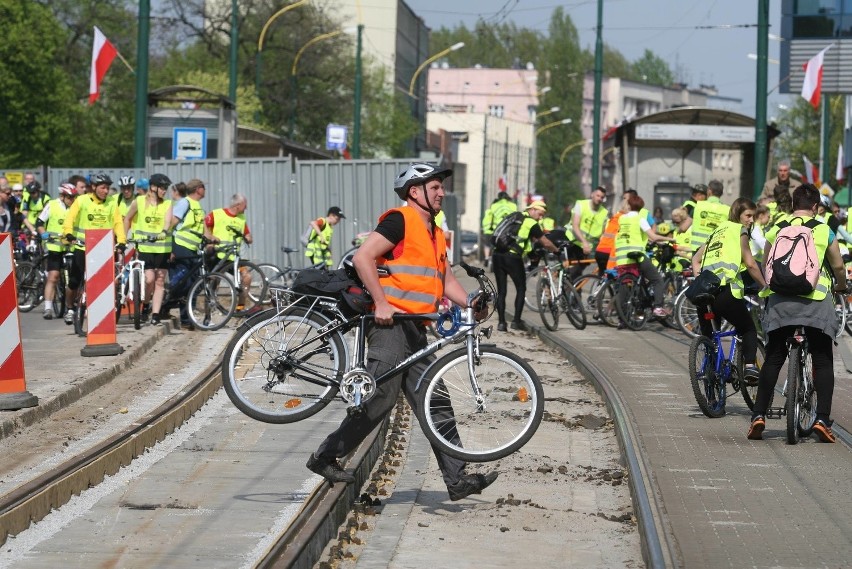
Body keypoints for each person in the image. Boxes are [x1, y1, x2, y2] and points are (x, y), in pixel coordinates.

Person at [305, 162, 498, 502]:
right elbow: (363, 258)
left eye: (441, 187)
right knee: (380, 399)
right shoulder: (399, 220)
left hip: (416, 327)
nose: (442, 192)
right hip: (390, 325)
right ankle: (325, 456)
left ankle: (457, 480)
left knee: (435, 400)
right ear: (415, 191)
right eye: (435, 187)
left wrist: (469, 301)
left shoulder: (435, 232)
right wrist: (380, 302)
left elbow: (446, 281)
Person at [748, 184, 848, 443]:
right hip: (815, 301)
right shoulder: (823, 229)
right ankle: (822, 420)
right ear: (816, 207)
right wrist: (841, 285)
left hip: (780, 301)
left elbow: (766, 262)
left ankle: (758, 415)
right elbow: (838, 265)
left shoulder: (777, 228)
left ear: (793, 205)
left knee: (773, 358)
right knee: (823, 359)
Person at [691, 198, 766, 377]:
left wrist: (700, 280)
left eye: (753, 216)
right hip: (725, 292)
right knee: (748, 328)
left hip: (703, 295)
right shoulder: (739, 230)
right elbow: (750, 263)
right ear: (737, 214)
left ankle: (711, 379)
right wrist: (765, 286)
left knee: (710, 337)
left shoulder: (716, 231)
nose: (751, 220)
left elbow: (695, 260)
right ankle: (749, 367)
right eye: (747, 215)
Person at [61, 173, 127, 325]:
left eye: (108, 188)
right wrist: (68, 233)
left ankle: (100, 311)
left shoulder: (111, 203)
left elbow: (117, 223)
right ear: (94, 187)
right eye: (103, 188)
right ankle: (70, 308)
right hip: (82, 246)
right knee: (75, 280)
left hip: (102, 249)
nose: (106, 191)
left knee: (103, 282)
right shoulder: (82, 200)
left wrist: (121, 241)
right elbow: (70, 218)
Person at [492, 200, 558, 331]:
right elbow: (545, 242)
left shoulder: (514, 216)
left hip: (497, 255)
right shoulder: (531, 223)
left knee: (502, 290)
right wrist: (556, 250)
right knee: (521, 288)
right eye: (540, 214)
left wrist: (532, 253)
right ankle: (516, 321)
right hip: (513, 258)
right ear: (532, 209)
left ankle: (501, 323)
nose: (541, 217)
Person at [613, 193, 675, 318]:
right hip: (636, 255)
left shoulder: (622, 219)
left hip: (622, 256)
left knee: (625, 285)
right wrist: (671, 240)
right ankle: (657, 307)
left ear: (629, 205)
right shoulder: (639, 219)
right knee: (657, 279)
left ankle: (622, 316)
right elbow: (653, 236)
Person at [124, 173, 173, 325]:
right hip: (145, 247)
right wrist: (125, 238)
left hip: (163, 248)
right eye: (162, 188)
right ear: (153, 187)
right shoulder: (139, 202)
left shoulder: (167, 204)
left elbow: (167, 221)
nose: (165, 191)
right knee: (149, 278)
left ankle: (155, 315)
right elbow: (127, 219)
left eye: (166, 188)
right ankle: (145, 303)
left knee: (159, 281)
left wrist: (164, 232)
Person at [163, 178, 207, 328]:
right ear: (198, 189)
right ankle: (167, 306)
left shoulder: (197, 206)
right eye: (203, 187)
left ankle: (186, 317)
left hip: (192, 248)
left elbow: (199, 228)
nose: (205, 190)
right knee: (183, 282)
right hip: (180, 246)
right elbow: (171, 223)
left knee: (193, 284)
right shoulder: (185, 202)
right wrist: (168, 247)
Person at [35, 182, 78, 319]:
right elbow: (39, 222)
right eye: (70, 197)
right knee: (53, 276)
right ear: (62, 196)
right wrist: (43, 233)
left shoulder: (76, 207)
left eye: (74, 197)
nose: (72, 200)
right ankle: (48, 308)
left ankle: (73, 304)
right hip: (55, 246)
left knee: (75, 276)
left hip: (70, 246)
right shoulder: (52, 205)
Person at [204, 193, 254, 310]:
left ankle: (240, 308)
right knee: (213, 281)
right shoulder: (216, 214)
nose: (246, 208)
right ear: (238, 205)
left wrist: (249, 238)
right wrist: (210, 239)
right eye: (244, 205)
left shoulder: (241, 218)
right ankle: (210, 309)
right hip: (217, 255)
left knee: (247, 277)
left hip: (235, 258)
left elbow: (247, 233)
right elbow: (203, 226)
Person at [567, 186, 609, 281]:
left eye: (602, 197)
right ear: (592, 195)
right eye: (598, 195)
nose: (599, 198)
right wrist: (584, 242)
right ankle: (571, 291)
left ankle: (574, 292)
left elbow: (604, 233)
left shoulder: (604, 212)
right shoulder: (581, 205)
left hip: (587, 248)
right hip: (573, 241)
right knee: (574, 271)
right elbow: (575, 225)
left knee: (577, 272)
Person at [689, 179, 730, 251]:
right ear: (721, 193)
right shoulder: (727, 210)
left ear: (709, 191)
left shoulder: (699, 206)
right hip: (715, 249)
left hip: (697, 248)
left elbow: (684, 227)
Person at [481, 191, 517, 264]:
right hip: (508, 229)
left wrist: (486, 228)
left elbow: (489, 218)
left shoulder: (494, 206)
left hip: (493, 229)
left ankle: (487, 258)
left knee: (488, 244)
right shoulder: (513, 205)